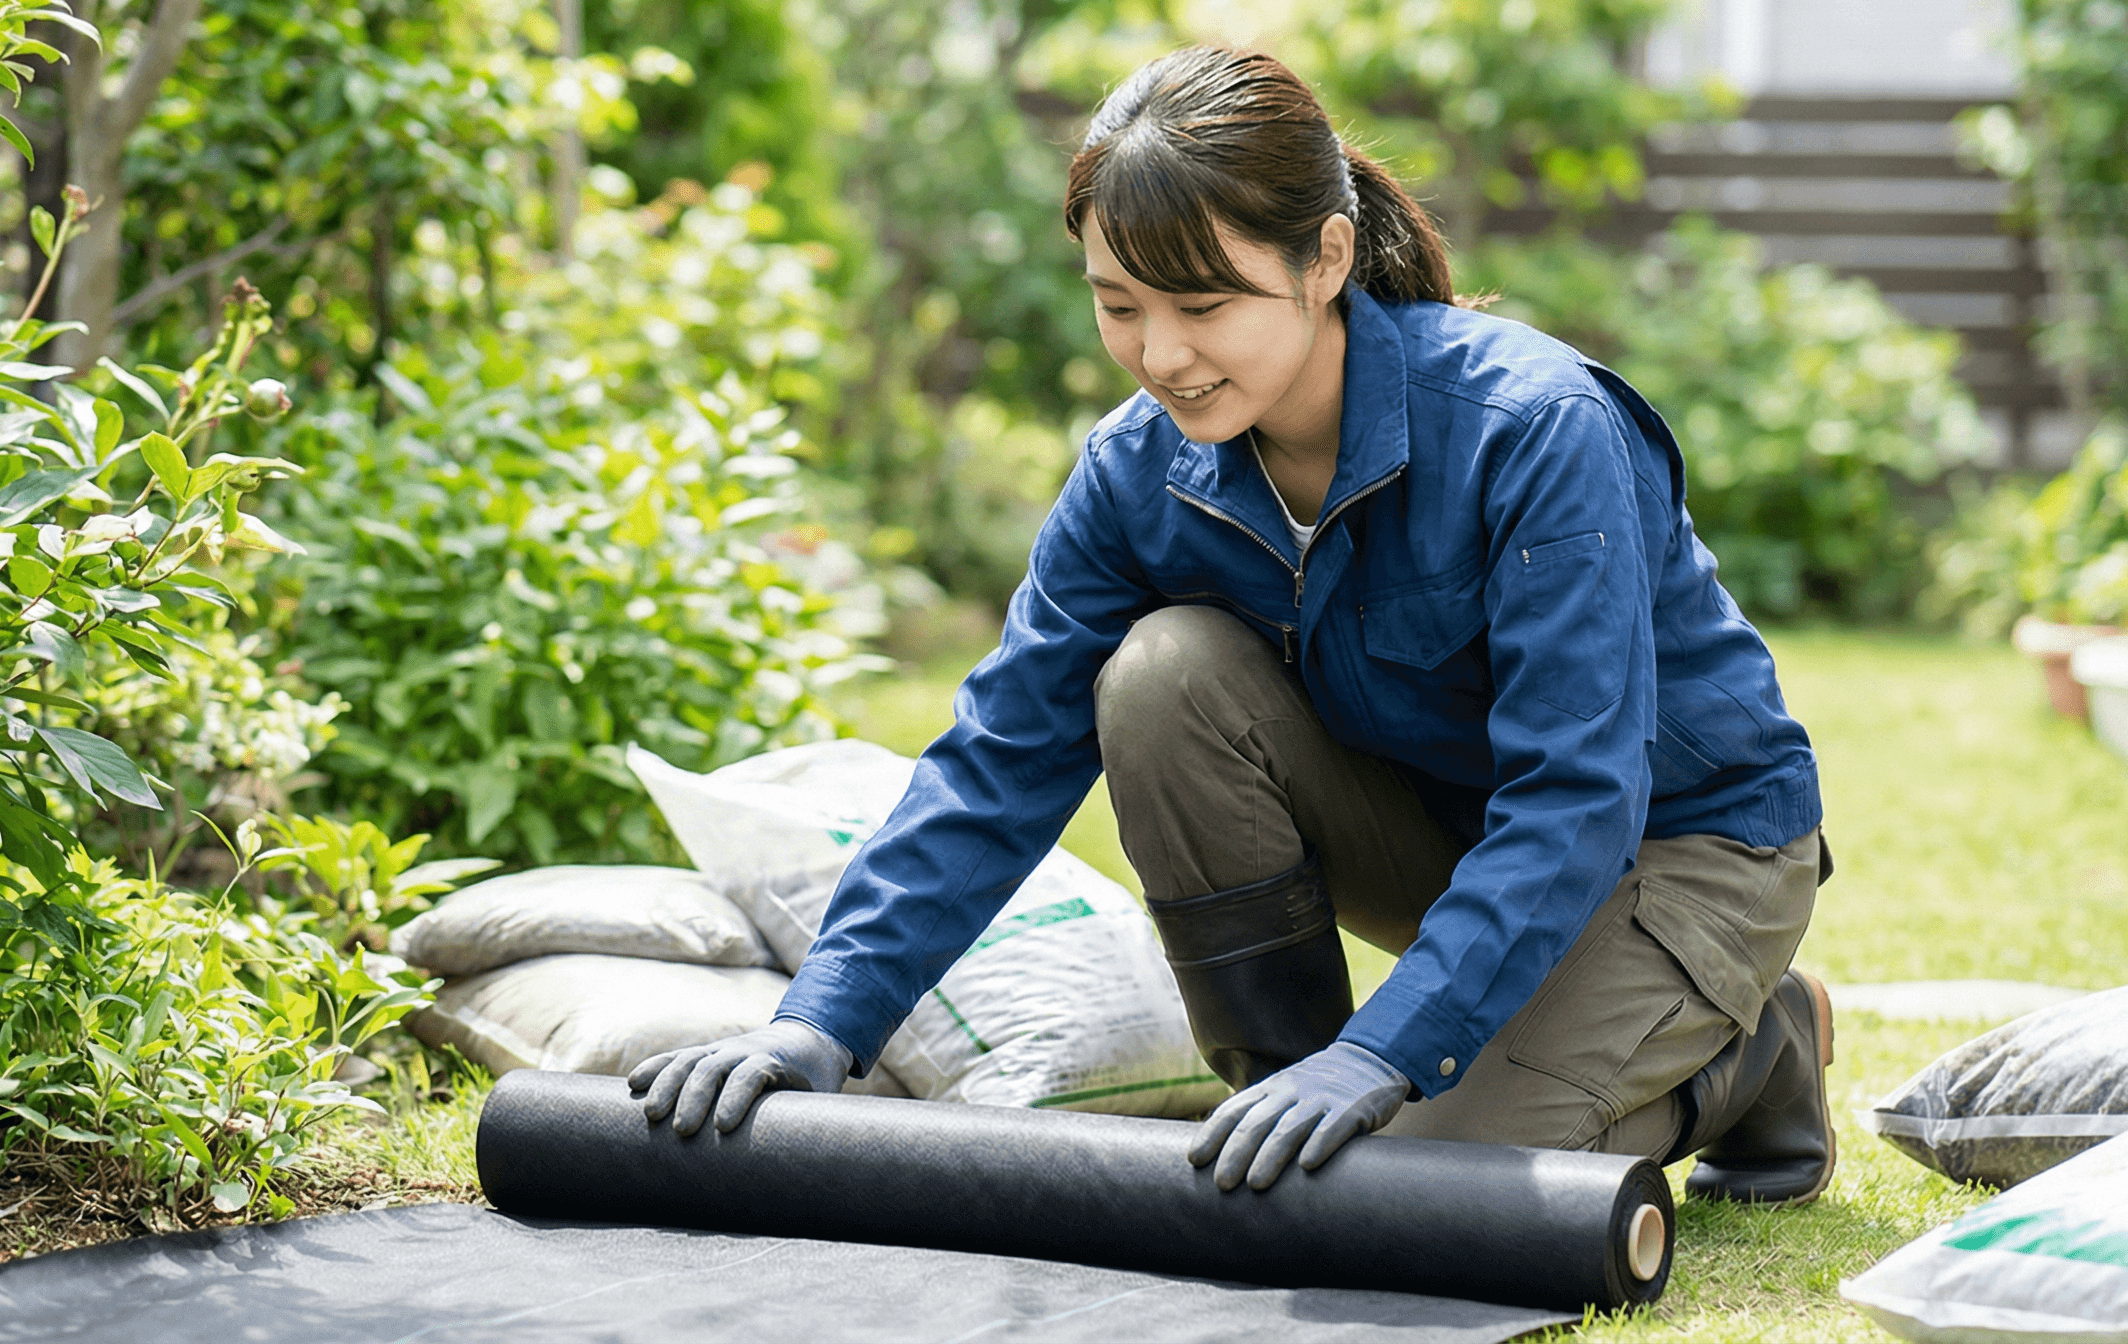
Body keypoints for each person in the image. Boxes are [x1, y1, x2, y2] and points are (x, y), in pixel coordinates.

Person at [630, 45, 1836, 1203]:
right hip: (1459, 838)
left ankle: (1753, 1053)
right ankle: (1282, 1091)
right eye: (1118, 307)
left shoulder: (1533, 428)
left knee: (1425, 1182)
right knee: (1160, 675)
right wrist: (818, 1022)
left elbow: (1579, 797)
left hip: (1684, 846)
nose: (1161, 356)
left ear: (1325, 258)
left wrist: (1389, 1056)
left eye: (1205, 304)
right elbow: (996, 763)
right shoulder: (1134, 476)